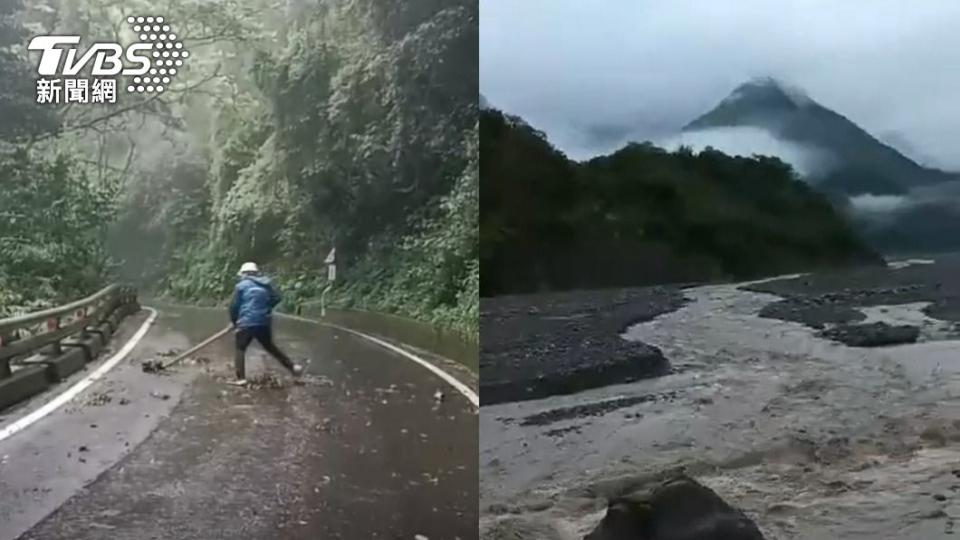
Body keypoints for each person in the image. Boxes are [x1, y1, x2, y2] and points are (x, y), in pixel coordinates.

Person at [228, 262, 303, 385]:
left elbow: (233, 307)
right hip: (264, 321)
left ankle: (241, 378)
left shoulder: (241, 286)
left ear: (245, 274)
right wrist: (266, 308)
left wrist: (234, 321)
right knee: (270, 346)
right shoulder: (266, 284)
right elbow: (277, 298)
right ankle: (293, 367)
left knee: (240, 348)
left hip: (246, 321)